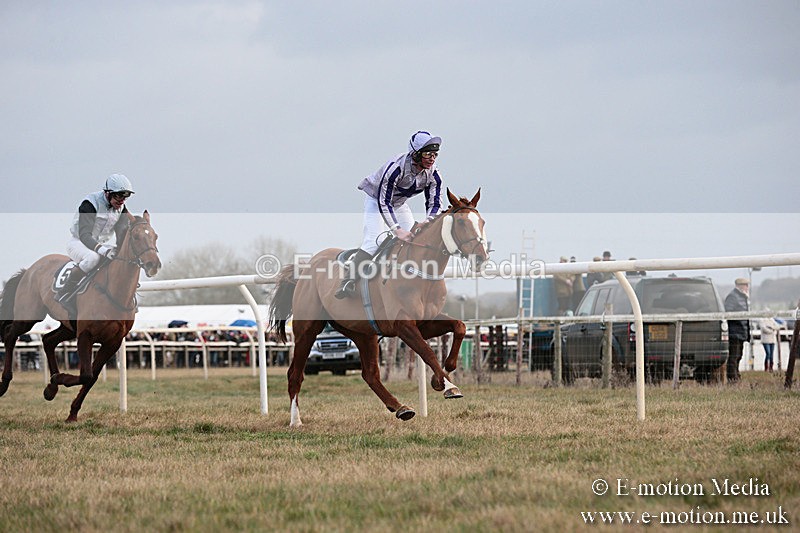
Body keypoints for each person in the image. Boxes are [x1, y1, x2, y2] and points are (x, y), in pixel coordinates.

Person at [335, 131, 444, 299]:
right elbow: (383, 202)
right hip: (376, 200)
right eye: (428, 154)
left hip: (399, 204)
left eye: (435, 154)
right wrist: (397, 230)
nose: (432, 158)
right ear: (416, 153)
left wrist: (427, 222)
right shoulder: (396, 167)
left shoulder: (434, 174)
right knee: (373, 241)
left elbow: (435, 203)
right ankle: (348, 282)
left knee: (417, 238)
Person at [56, 174, 134, 304]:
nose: (121, 201)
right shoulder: (90, 203)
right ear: (107, 193)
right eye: (118, 196)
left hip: (101, 244)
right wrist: (103, 250)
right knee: (92, 258)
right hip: (79, 242)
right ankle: (65, 292)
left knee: (120, 259)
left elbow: (121, 235)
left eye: (125, 197)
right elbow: (85, 235)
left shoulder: (121, 208)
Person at [724, 277, 750, 382]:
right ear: (740, 286)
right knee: (733, 357)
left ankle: (736, 375)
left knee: (739, 356)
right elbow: (728, 313)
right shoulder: (733, 297)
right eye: (746, 285)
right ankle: (732, 378)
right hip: (734, 332)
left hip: (741, 331)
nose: (747, 287)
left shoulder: (742, 297)